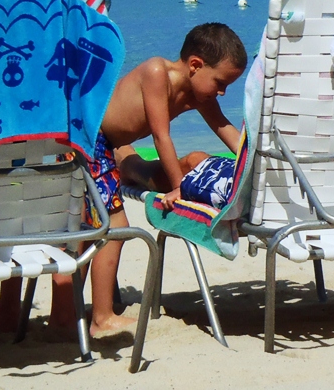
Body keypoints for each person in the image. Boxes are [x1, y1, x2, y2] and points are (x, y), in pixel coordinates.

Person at [85, 22, 247, 336]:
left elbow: (224, 128)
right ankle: (101, 317)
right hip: (94, 138)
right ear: (196, 65)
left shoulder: (199, 93)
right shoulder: (156, 72)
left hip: (114, 142)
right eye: (220, 82)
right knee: (112, 226)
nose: (223, 92)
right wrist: (178, 187)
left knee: (97, 222)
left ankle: (128, 160)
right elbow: (161, 136)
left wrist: (251, 159)